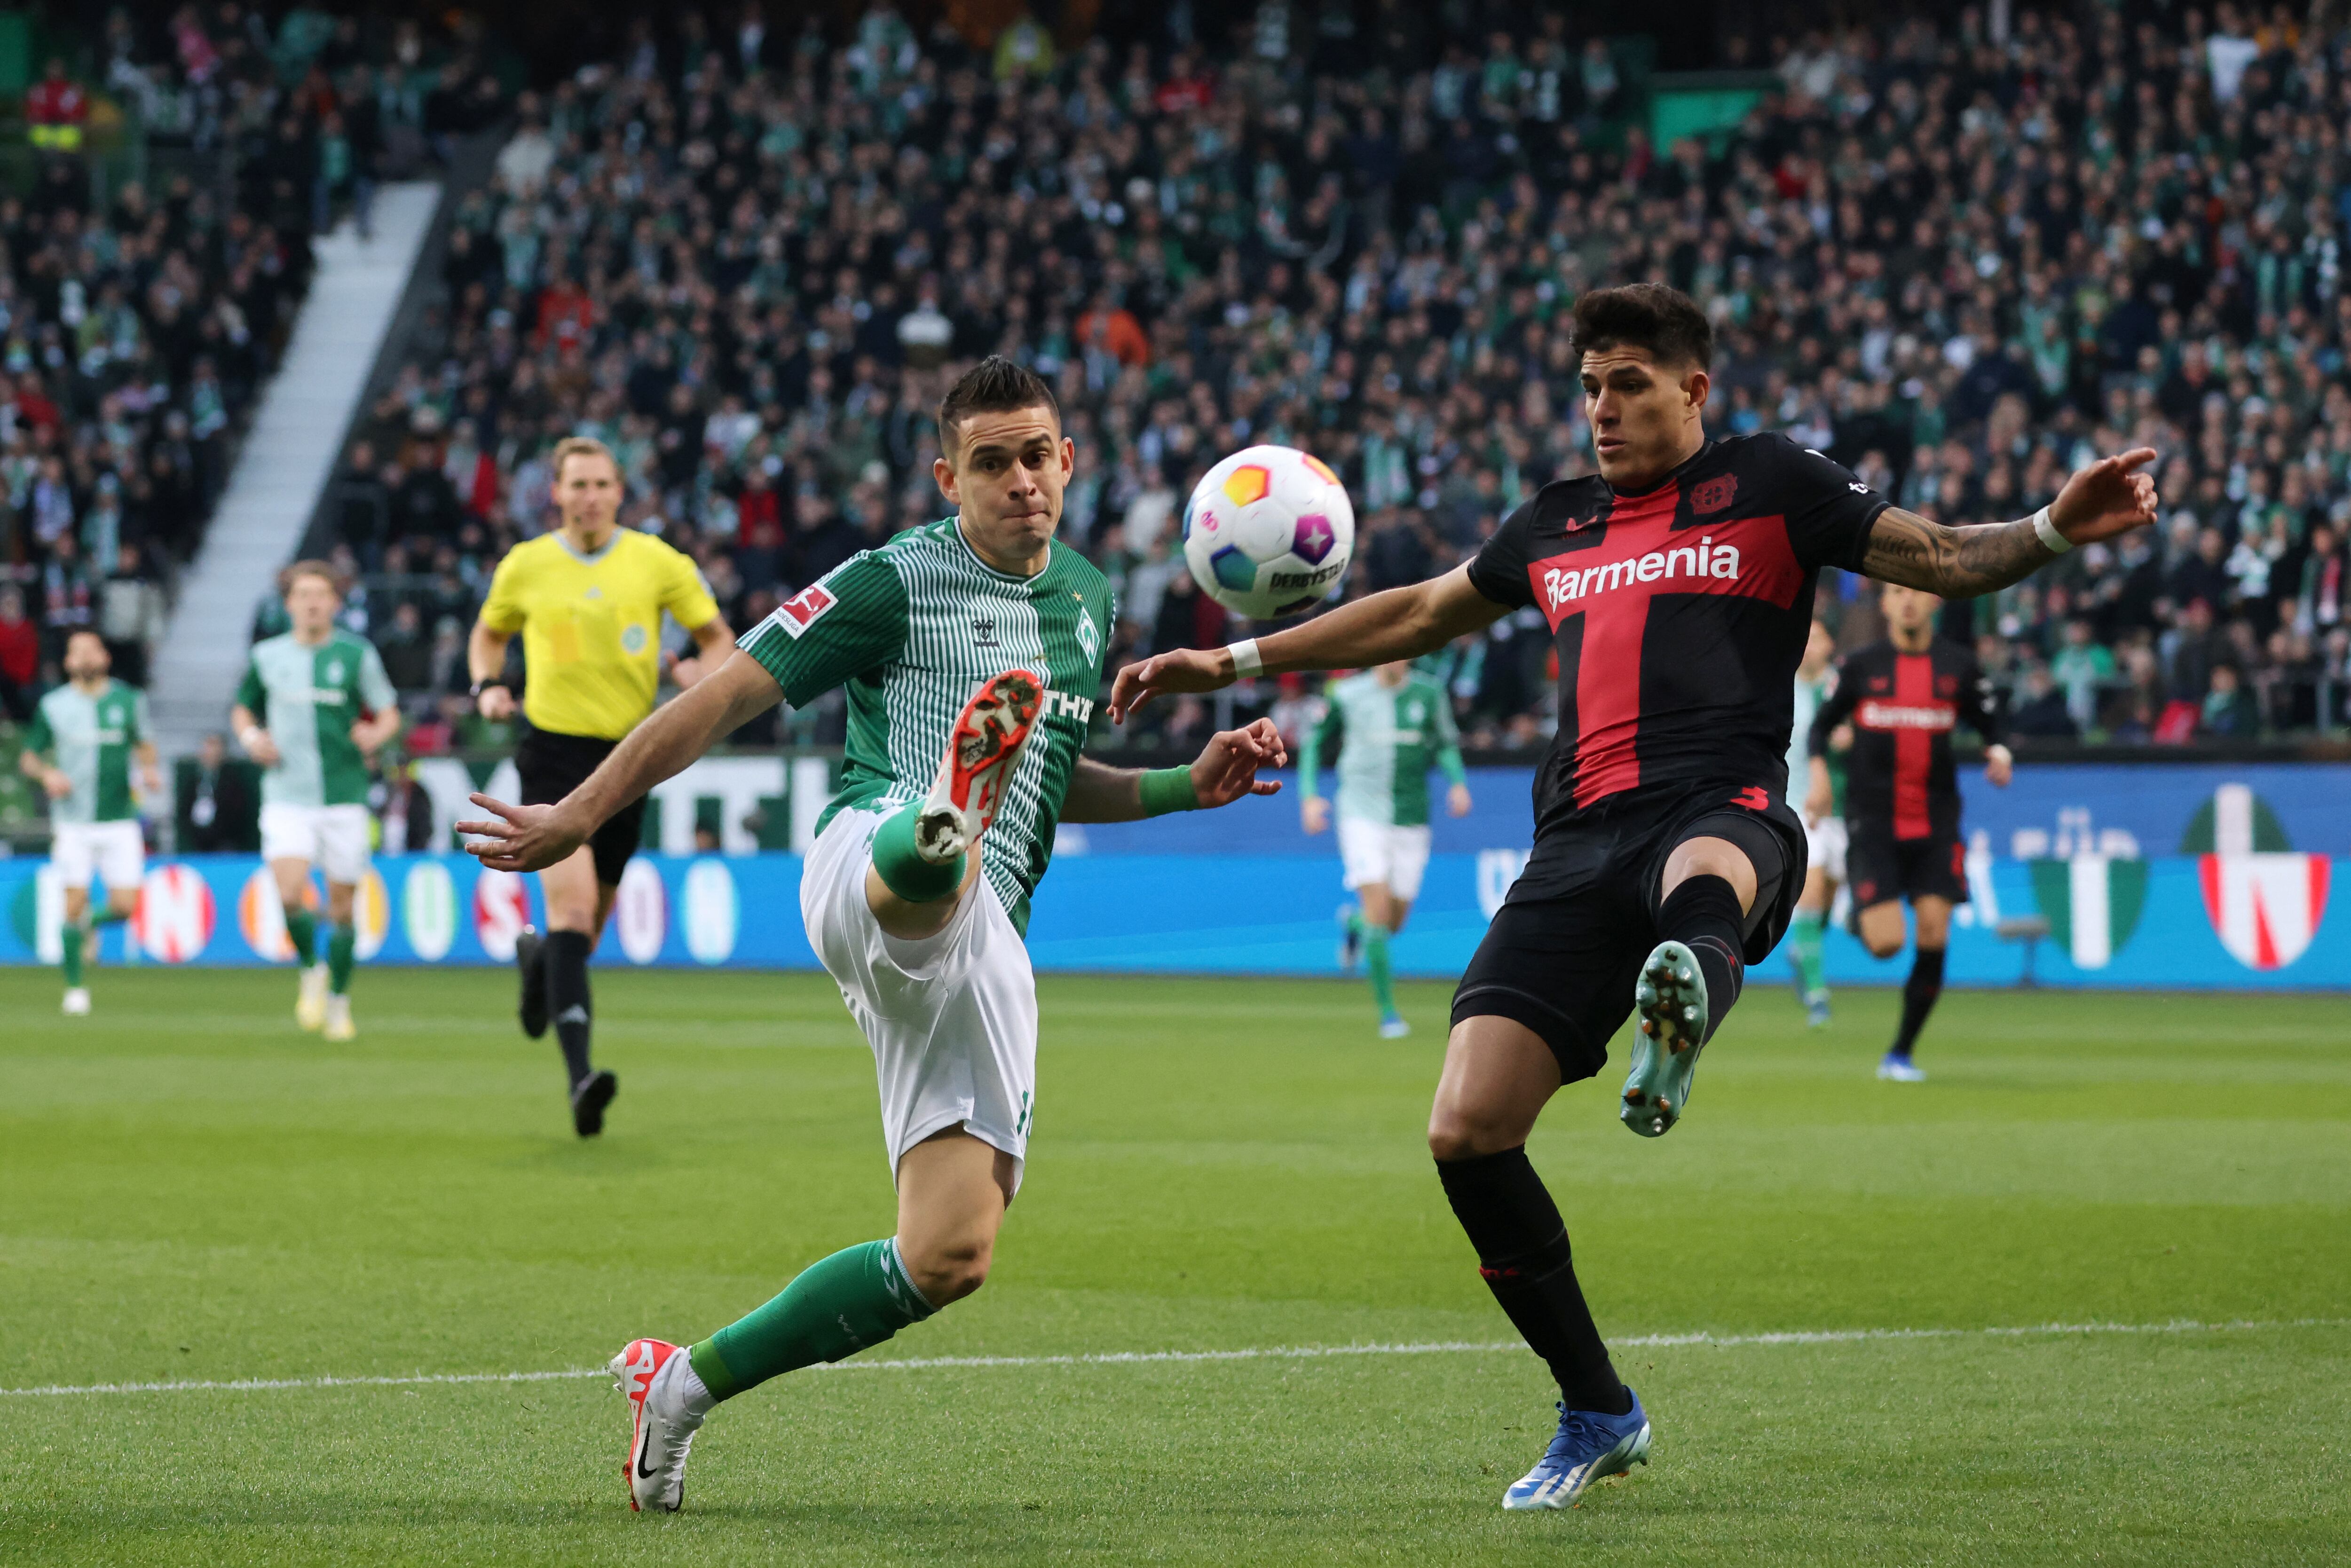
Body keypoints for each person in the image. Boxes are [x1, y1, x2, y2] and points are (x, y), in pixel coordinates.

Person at [1109, 283, 2157, 1512]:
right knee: (1465, 1128)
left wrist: (2052, 527)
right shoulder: (1554, 521)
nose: (1601, 408)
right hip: (1571, 846)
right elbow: (1421, 612)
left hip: (1722, 802)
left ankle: (1686, 995)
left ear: (1693, 389)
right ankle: (1599, 1405)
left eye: (1628, 385)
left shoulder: (1772, 482)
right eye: (1589, 387)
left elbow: (1937, 556)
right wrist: (1228, 658)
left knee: (1703, 879)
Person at [455, 356, 1286, 1514]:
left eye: (1035, 456)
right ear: (948, 478)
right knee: (935, 856)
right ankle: (942, 815)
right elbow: (719, 695)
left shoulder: (1088, 599)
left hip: (982, 938)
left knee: (948, 1256)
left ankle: (680, 1384)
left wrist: (1182, 786)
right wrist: (580, 814)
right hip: (867, 856)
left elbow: (1052, 775)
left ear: (1067, 462)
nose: (1019, 480)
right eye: (989, 463)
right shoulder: (888, 579)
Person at [467, 436, 734, 1137]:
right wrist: (486, 686)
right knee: (575, 909)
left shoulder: (658, 561)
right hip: (552, 755)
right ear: (556, 492)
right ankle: (581, 1079)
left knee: (583, 933)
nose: (589, 496)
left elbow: (718, 640)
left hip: (629, 759)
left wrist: (699, 673)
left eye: (600, 484)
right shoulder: (526, 565)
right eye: (577, 484)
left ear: (620, 492)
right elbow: (488, 636)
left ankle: (538, 965)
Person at [1807, 583, 2011, 1083]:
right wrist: (1819, 776)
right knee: (1886, 945)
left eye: (1917, 592)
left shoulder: (1959, 666)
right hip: (1873, 823)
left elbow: (1990, 723)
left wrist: (1999, 752)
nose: (1907, 601)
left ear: (1934, 602)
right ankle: (1860, 913)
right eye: (1897, 592)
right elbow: (1819, 727)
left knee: (1934, 932)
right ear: (1884, 604)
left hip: (1936, 823)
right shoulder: (1861, 666)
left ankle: (1900, 1052)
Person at [231, 563, 402, 1040]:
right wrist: (251, 738)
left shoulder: (356, 653)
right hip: (286, 793)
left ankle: (340, 1003)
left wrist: (377, 733)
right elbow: (242, 707)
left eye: (321, 594)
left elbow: (389, 713)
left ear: (334, 603)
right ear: (289, 603)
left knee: (343, 909)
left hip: (344, 795)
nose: (312, 603)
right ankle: (311, 967)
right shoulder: (267, 656)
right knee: (289, 894)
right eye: (303, 594)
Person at [1300, 658, 1472, 1037]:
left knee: (1393, 922)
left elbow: (1445, 744)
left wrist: (1457, 782)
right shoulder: (1346, 693)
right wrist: (1309, 796)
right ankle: (1389, 1014)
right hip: (1360, 813)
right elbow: (1313, 742)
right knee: (1379, 913)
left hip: (1412, 818)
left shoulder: (1429, 692)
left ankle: (1353, 924)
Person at [18, 629, 158, 1013]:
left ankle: (88, 925)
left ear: (105, 657)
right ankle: (75, 988)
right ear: (67, 662)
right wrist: (47, 774)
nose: (84, 657)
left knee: (125, 907)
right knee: (73, 902)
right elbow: (29, 756)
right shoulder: (54, 705)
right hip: (73, 822)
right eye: (76, 651)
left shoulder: (129, 700)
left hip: (119, 820)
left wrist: (149, 769)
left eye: (91, 650)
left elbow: (145, 745)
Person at [1783, 617, 1845, 1025]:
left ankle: (1802, 950)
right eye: (1804, 637)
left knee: (1830, 897)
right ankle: (1818, 995)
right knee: (1811, 889)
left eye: (1817, 638)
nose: (1809, 645)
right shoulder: (1781, 688)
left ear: (1829, 645)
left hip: (1843, 809)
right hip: (1800, 807)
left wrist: (1851, 737)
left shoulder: (1842, 687)